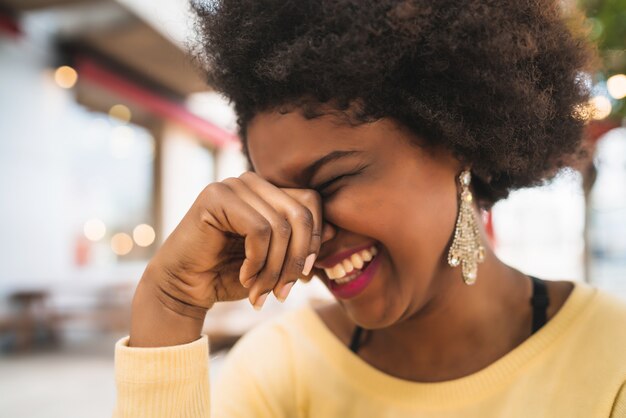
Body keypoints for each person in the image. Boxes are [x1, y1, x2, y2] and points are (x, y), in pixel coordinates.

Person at [113, 0, 626, 417]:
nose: (306, 230)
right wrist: (171, 307)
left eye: (334, 180)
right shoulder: (280, 373)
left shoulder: (612, 363)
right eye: (280, 199)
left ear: (457, 141)